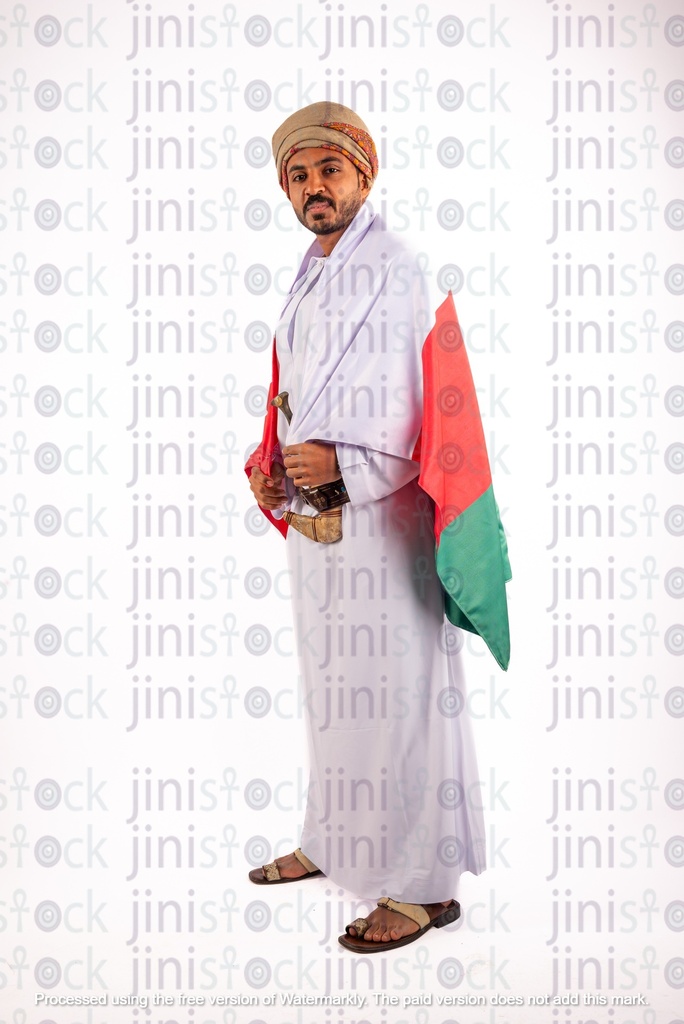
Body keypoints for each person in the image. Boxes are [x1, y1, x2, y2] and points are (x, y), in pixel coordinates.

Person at [246, 102, 510, 952]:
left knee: (401, 699)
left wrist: (343, 461)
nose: (313, 187)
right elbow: (294, 389)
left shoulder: (394, 268)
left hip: (383, 520)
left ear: (363, 174)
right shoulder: (310, 272)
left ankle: (423, 888)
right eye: (298, 175)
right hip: (318, 524)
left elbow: (409, 396)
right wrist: (275, 462)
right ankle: (333, 839)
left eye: (329, 169)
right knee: (333, 693)